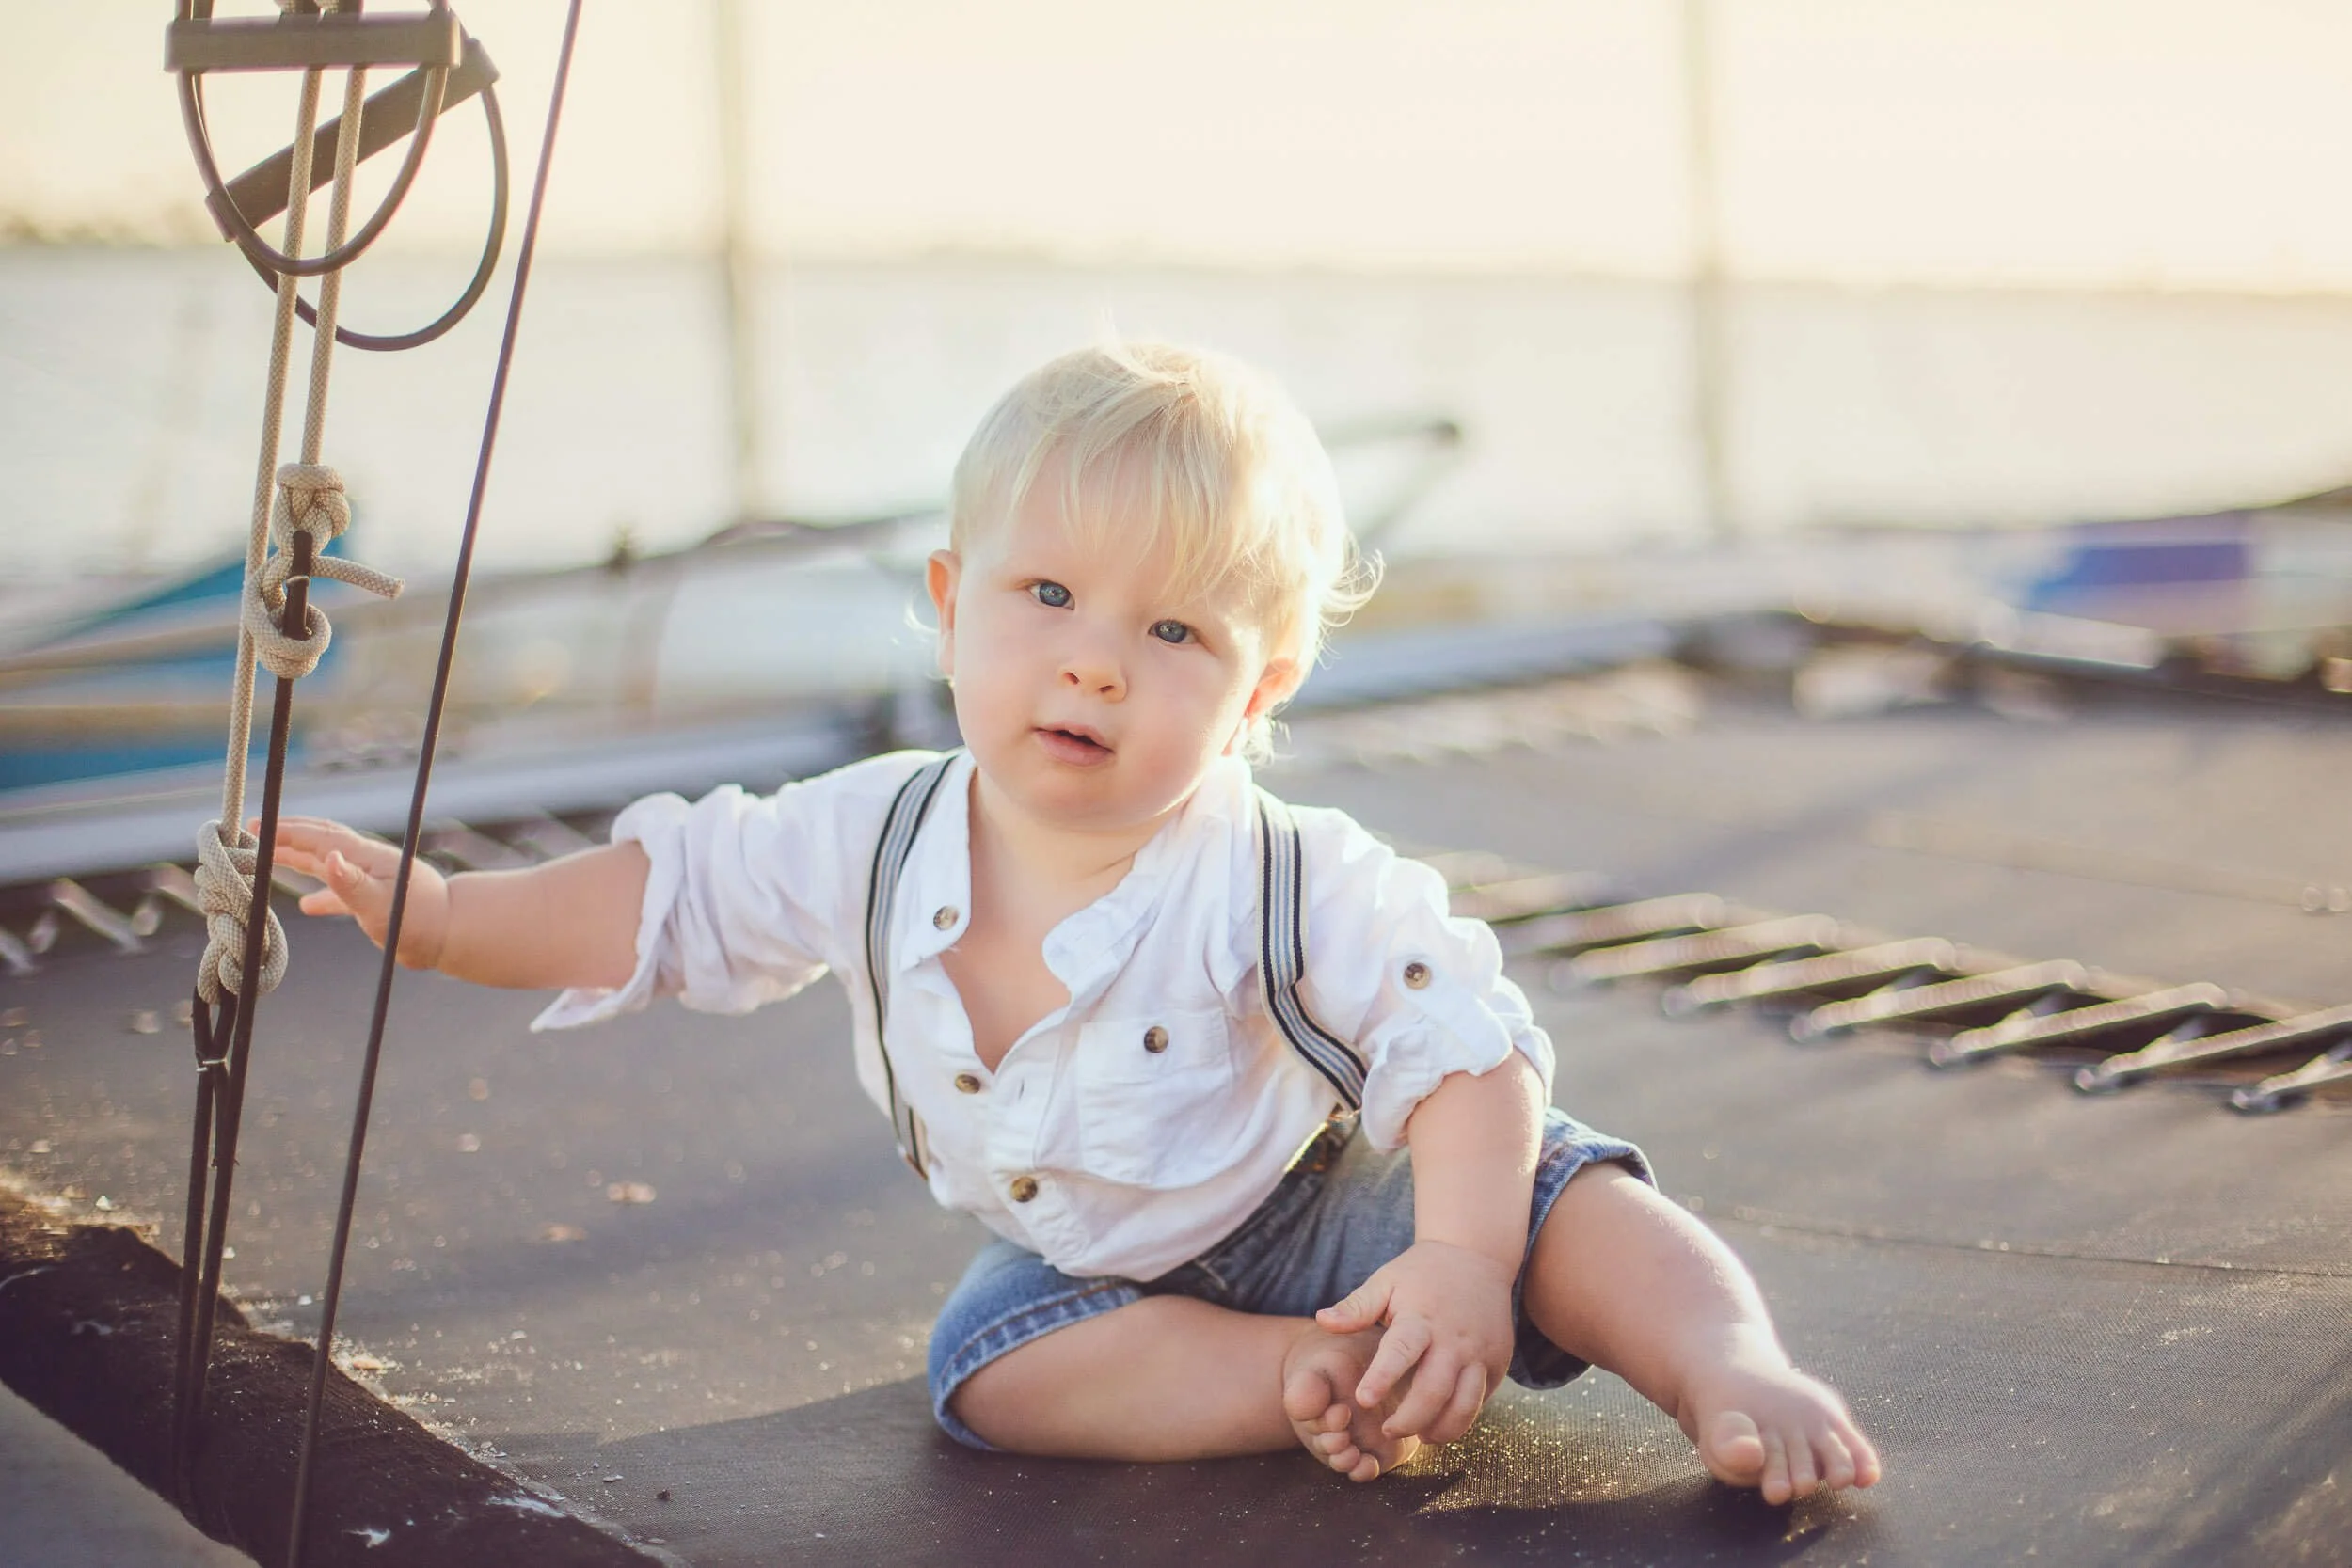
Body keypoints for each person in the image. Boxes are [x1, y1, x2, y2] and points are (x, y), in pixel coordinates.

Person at [270, 341, 1880, 1502]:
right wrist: (447, 917)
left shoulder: (1281, 868)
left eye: (1171, 628)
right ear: (951, 595)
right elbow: (664, 898)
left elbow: (1459, 1038)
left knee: (1564, 1195)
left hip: (1339, 1202)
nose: (1095, 660)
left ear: (1256, 694)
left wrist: (1460, 1258)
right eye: (1047, 597)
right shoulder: (874, 830)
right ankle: (1284, 1380)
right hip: (1101, 1269)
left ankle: (1728, 1363)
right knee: (989, 1372)